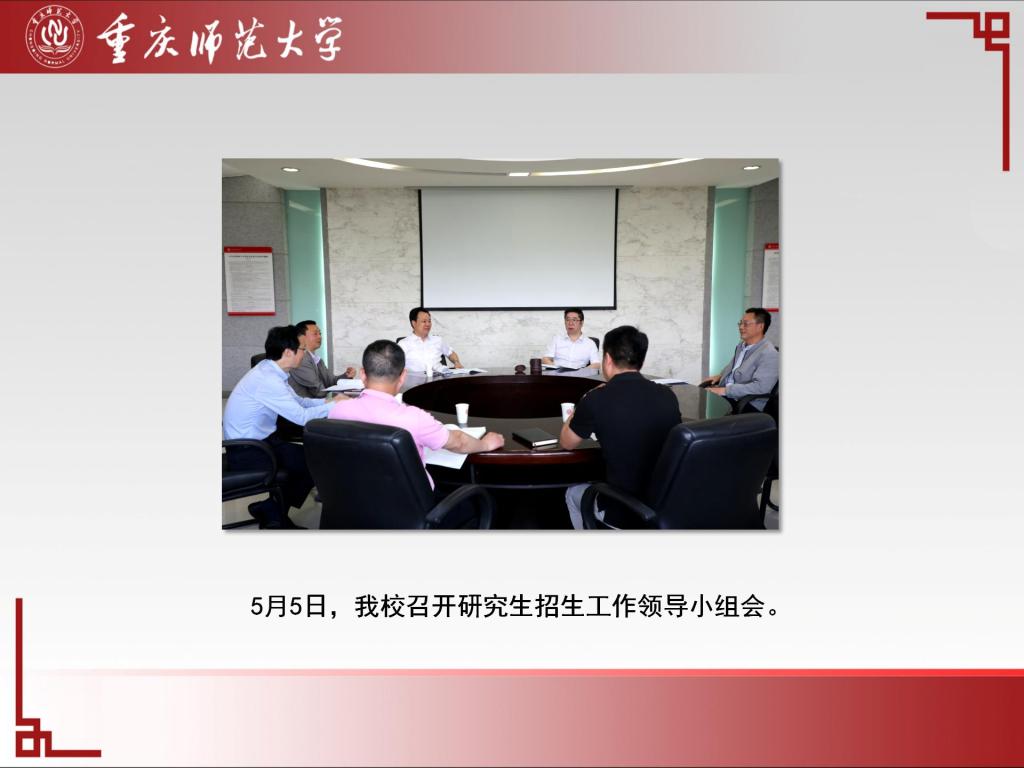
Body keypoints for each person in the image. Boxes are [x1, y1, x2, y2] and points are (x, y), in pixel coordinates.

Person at [329, 340, 503, 488]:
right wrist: (485, 444)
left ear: (362, 374)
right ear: (403, 376)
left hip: (351, 505)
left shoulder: (338, 411)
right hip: (408, 509)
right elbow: (459, 442)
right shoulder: (414, 418)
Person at [559, 325, 681, 529]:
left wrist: (583, 401)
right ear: (641, 361)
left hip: (622, 512)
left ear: (607, 359)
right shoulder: (668, 395)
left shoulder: (596, 399)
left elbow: (566, 443)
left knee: (573, 493)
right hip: (665, 508)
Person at [223, 325, 341, 529]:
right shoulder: (268, 379)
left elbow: (300, 402)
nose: (305, 353)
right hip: (247, 450)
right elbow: (301, 417)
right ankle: (274, 513)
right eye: (302, 349)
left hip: (261, 441)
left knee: (311, 459)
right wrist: (335, 406)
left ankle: (271, 509)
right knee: (311, 463)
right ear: (288, 352)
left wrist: (330, 402)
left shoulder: (272, 370)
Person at [703, 307, 778, 411]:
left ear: (760, 326)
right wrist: (720, 376)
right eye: (740, 323)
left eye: (746, 324)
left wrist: (724, 391)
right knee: (699, 397)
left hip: (746, 403)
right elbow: (734, 368)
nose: (741, 327)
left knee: (704, 407)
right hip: (730, 395)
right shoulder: (742, 346)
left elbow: (761, 387)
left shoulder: (769, 353)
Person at [288, 320, 357, 398]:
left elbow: (330, 381)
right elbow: (318, 391)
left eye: (320, 333)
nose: (319, 337)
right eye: (315, 334)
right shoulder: (301, 360)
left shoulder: (317, 360)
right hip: (305, 405)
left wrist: (346, 376)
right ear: (301, 337)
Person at [398, 307, 463, 373]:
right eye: (424, 321)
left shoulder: (438, 340)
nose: (428, 324)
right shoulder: (403, 344)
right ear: (414, 323)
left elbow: (450, 353)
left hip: (438, 377)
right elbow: (395, 366)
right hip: (415, 378)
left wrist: (456, 362)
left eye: (429, 321)